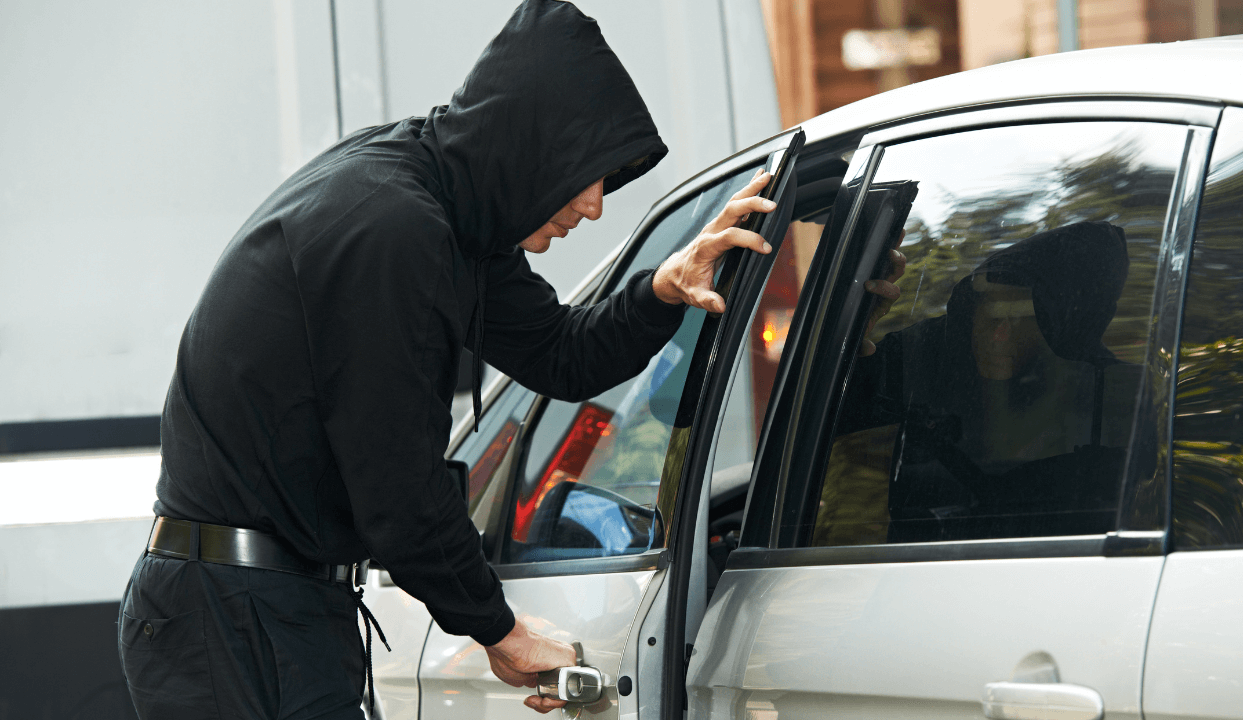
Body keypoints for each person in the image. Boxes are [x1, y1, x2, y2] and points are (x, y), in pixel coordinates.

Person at [114, 2, 802, 718]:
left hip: (272, 604)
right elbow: (398, 484)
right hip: (232, 614)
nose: (596, 206)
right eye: (588, 174)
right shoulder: (393, 228)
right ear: (534, 150)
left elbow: (562, 355)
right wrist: (499, 631)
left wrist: (665, 287)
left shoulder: (448, 217)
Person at [836, 221, 1137, 541]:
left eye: (1020, 317)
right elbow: (810, 415)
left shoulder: (1117, 402)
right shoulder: (927, 360)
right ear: (968, 312)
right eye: (990, 312)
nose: (999, 334)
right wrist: (849, 336)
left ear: (1060, 330)